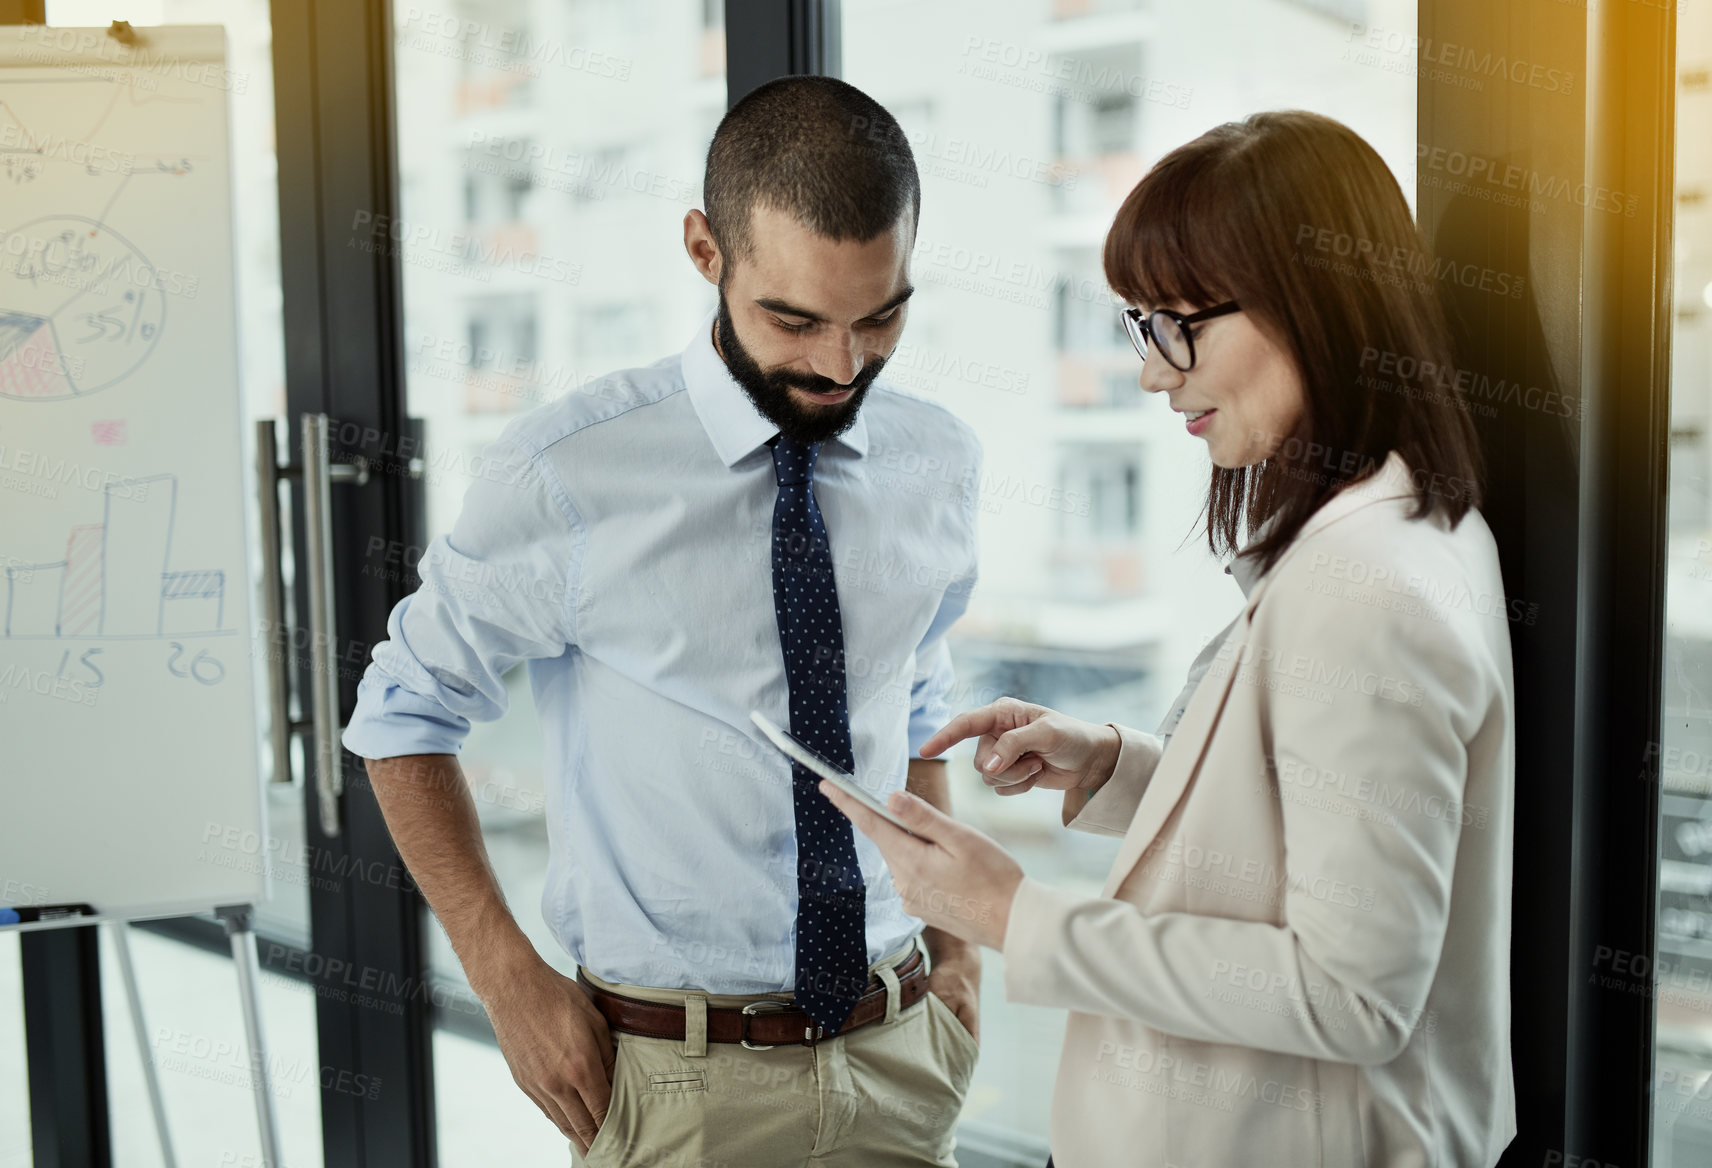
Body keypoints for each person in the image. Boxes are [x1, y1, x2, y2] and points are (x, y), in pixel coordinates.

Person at [820, 110, 1517, 1168]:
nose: (1153, 371)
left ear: (1311, 303)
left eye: (1175, 324)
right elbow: (1312, 832)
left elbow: (1352, 992)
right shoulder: (1396, 526)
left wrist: (1014, 913)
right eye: (1138, 326)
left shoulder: (1365, 587)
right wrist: (1115, 766)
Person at [342, 75, 985, 1167]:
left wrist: (957, 950)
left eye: (880, 315)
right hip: (674, 1083)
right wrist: (505, 977)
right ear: (704, 250)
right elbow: (402, 714)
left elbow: (917, 695)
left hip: (899, 1051)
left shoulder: (937, 457)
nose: (841, 365)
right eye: (795, 318)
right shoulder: (569, 471)